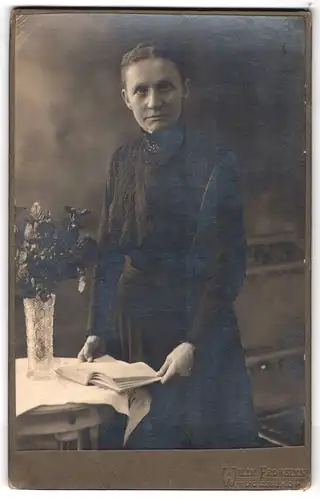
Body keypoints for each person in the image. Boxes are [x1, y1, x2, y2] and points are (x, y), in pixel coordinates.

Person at [77, 42, 259, 449]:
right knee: (137, 446)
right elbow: (108, 254)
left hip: (196, 323)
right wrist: (97, 331)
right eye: (141, 91)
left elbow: (227, 263)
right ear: (126, 98)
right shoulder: (121, 160)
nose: (154, 101)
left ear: (185, 89)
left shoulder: (215, 161)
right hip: (132, 325)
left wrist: (194, 342)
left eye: (165, 87)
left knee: (197, 445)